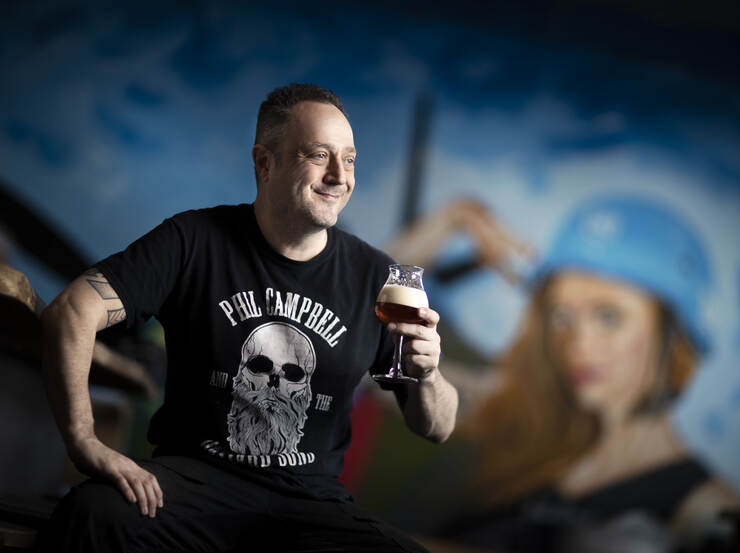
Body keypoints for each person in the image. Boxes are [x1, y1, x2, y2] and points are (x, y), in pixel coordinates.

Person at [38, 83, 458, 553]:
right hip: (188, 489)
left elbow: (437, 427)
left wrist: (428, 375)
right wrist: (83, 440)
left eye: (350, 159)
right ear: (264, 162)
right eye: (319, 155)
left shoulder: (377, 277)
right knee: (94, 514)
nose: (339, 176)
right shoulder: (193, 240)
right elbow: (71, 310)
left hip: (312, 508)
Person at [385, 196, 740, 552]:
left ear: (672, 339)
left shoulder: (704, 508)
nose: (578, 343)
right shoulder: (521, 419)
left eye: (608, 316)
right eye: (562, 315)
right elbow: (370, 347)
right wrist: (452, 219)